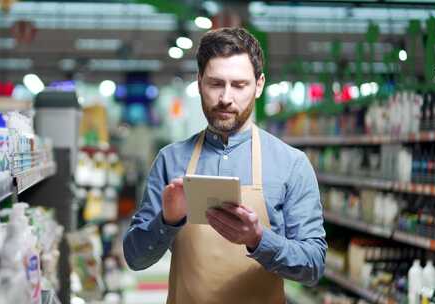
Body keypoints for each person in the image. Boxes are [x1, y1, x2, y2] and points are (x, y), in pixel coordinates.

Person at [123, 27, 327, 304]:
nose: (226, 98)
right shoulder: (171, 160)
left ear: (259, 85)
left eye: (239, 85)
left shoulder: (291, 164)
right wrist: (167, 221)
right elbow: (135, 259)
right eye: (216, 83)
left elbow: (314, 266)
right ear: (199, 83)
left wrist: (258, 239)